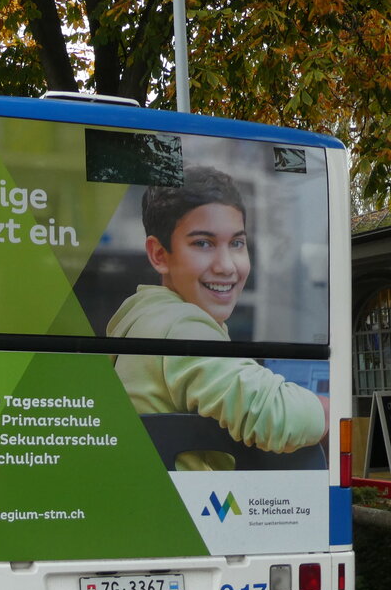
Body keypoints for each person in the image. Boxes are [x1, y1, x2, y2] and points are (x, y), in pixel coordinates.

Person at [107, 165, 328, 471]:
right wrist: (329, 410)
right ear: (159, 254)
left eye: (237, 243)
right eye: (203, 243)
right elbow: (274, 415)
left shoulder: (141, 316)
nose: (226, 266)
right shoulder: (180, 326)